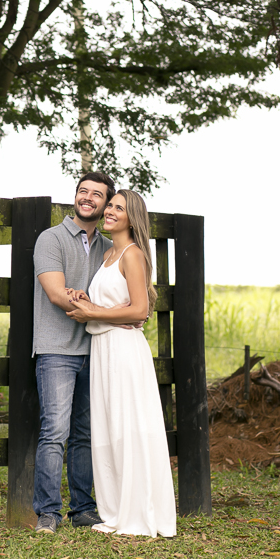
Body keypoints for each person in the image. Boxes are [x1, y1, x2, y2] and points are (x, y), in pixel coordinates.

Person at [66, 189, 177, 538]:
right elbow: (116, 303)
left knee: (129, 428)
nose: (110, 211)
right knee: (108, 429)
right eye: (110, 206)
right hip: (102, 349)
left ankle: (138, 514)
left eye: (119, 208)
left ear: (132, 218)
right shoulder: (108, 254)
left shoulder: (133, 254)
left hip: (125, 351)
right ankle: (115, 511)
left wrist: (94, 313)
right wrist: (88, 302)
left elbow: (140, 310)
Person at [30, 172, 115, 534]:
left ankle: (82, 509)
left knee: (85, 434)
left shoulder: (109, 248)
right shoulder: (51, 238)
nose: (88, 198)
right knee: (55, 432)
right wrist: (84, 302)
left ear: (106, 204)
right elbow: (55, 293)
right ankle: (48, 513)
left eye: (97, 194)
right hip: (56, 350)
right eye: (83, 191)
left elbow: (120, 295)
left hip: (96, 348)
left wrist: (85, 302)